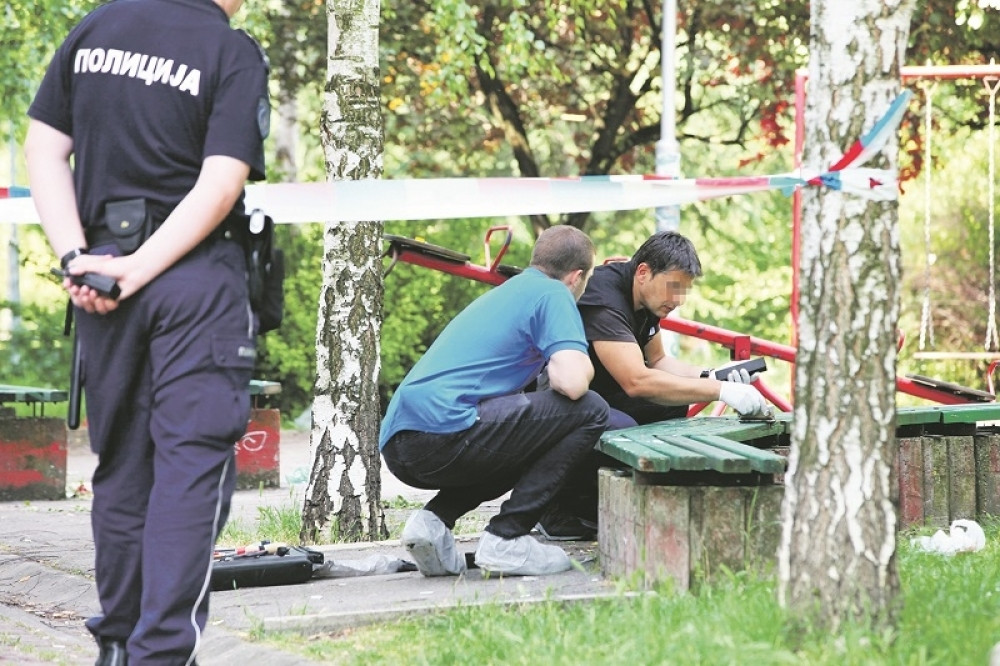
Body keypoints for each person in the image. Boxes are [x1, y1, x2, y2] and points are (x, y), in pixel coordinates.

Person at [25, 0, 269, 663]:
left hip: (101, 281)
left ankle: (117, 647)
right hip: (194, 284)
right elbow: (221, 184)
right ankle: (160, 654)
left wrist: (77, 257)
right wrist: (141, 267)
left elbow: (43, 147)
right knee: (190, 469)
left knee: (123, 473)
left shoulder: (97, 27)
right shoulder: (230, 51)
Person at [380, 225, 610, 578]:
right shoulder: (554, 293)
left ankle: (432, 523)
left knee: (531, 434)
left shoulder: (509, 291)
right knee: (591, 409)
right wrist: (585, 363)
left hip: (401, 444)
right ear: (576, 277)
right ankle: (507, 537)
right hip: (442, 433)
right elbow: (572, 383)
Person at [537, 231, 771, 539]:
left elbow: (659, 361)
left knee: (671, 404)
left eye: (684, 291)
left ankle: (609, 500)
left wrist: (713, 374)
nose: (678, 300)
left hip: (598, 393)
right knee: (619, 424)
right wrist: (721, 391)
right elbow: (636, 381)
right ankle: (555, 507)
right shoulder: (604, 300)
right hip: (552, 401)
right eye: (674, 287)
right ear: (644, 272)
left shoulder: (644, 298)